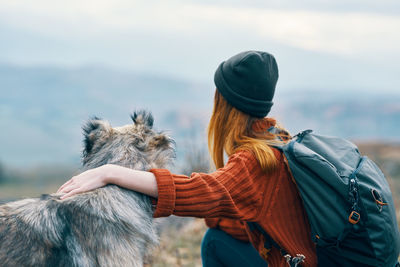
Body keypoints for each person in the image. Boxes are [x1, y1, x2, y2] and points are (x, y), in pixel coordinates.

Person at [57, 51, 317, 267]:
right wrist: (220, 212)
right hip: (305, 257)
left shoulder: (254, 162)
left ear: (225, 106)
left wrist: (109, 172)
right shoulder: (278, 138)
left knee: (213, 243)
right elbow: (245, 215)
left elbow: (198, 192)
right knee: (221, 236)